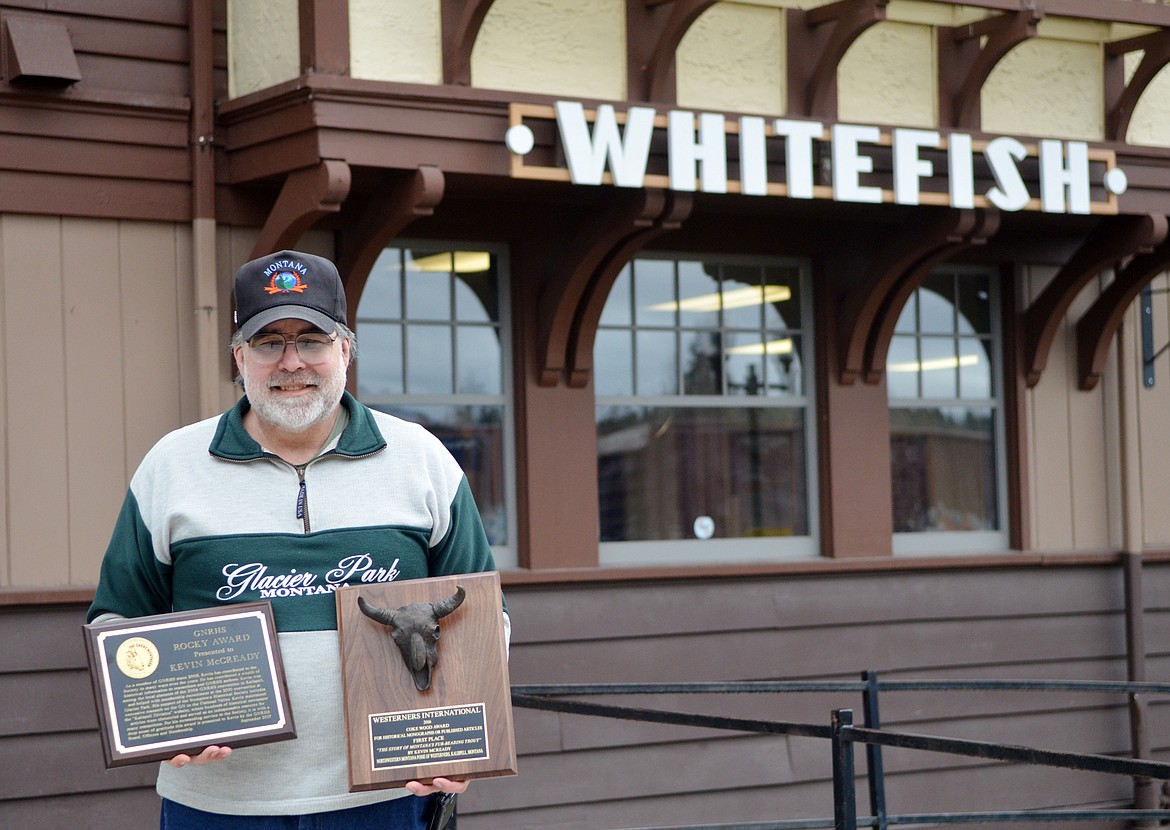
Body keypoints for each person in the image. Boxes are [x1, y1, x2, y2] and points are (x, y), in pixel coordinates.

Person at [88, 249, 505, 829]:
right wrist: (149, 721)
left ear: (345, 350)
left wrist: (465, 746)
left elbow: (485, 622)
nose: (292, 363)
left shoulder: (423, 461)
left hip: (386, 799)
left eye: (312, 340)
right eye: (268, 344)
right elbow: (117, 620)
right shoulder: (172, 466)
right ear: (238, 356)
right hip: (220, 804)